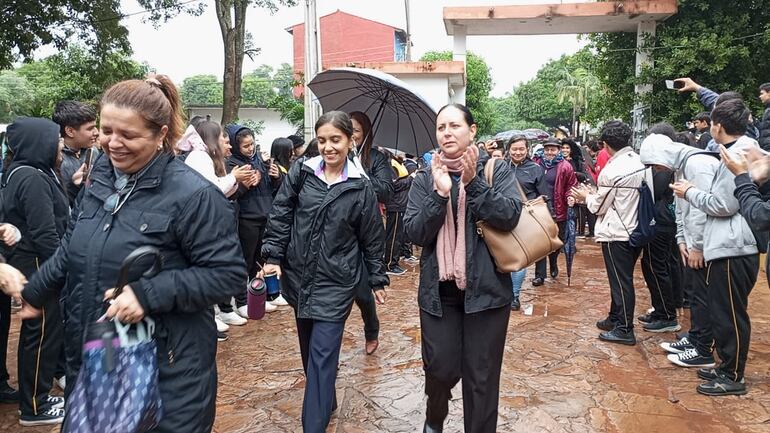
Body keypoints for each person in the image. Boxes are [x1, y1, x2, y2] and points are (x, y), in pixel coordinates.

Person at [12, 75, 247, 432]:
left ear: (160, 134)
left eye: (129, 135)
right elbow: (70, 249)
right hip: (96, 358)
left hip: (167, 370)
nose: (113, 143)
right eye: (106, 131)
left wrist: (147, 294)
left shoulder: (194, 195)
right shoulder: (101, 179)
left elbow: (226, 275)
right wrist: (34, 293)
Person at [260, 111, 388, 433]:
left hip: (337, 282)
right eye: (322, 140)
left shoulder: (361, 188)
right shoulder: (302, 173)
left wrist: (376, 277)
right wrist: (273, 255)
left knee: (321, 358)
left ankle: (313, 425)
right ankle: (326, 400)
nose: (328, 147)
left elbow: (373, 237)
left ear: (349, 141)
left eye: (336, 140)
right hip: (299, 278)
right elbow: (281, 213)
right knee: (309, 355)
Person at [404, 103, 521, 433]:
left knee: (481, 378)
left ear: (472, 131)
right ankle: (434, 416)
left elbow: (510, 215)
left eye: (454, 126)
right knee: (440, 368)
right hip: (439, 296)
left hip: (486, 294)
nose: (446, 133)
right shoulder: (426, 177)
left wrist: (474, 184)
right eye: (441, 128)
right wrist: (440, 196)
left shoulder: (494, 170)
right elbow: (415, 232)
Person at [670, 99, 760, 396]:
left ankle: (733, 375)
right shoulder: (745, 149)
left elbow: (724, 204)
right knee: (723, 313)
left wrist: (690, 191)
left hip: (733, 247)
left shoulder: (737, 156)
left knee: (730, 315)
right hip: (728, 245)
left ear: (717, 126)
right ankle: (725, 366)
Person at [0, 117, 69, 425]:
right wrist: (60, 268)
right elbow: (44, 232)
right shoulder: (31, 177)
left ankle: (37, 394)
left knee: (43, 332)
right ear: (39, 143)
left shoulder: (28, 171)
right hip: (39, 264)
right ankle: (34, 406)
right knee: (40, 334)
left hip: (34, 261)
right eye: (55, 140)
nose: (61, 145)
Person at [639, 132, 719, 369]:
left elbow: (701, 208)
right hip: (691, 241)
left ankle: (703, 348)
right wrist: (682, 238)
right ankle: (696, 338)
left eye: (654, 165)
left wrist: (697, 246)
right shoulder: (685, 165)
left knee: (702, 297)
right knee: (694, 294)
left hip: (705, 244)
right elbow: (683, 206)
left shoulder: (697, 163)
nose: (656, 170)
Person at [571, 120, 650, 346]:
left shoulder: (612, 171)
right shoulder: (640, 161)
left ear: (605, 144)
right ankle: (615, 317)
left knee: (620, 281)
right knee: (621, 278)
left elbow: (598, 207)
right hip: (636, 229)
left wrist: (585, 196)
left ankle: (625, 328)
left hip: (617, 232)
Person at [224, 125, 284, 316]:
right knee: (245, 261)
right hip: (246, 218)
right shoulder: (231, 165)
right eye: (246, 146)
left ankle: (264, 295)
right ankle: (243, 301)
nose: (251, 149)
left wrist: (275, 177)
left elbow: (273, 188)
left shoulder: (260, 159)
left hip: (265, 215)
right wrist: (244, 185)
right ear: (235, 146)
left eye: (252, 144)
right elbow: (229, 194)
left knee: (262, 259)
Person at [348, 111, 393, 355]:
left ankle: (371, 328)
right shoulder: (334, 158)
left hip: (369, 227)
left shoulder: (375, 159)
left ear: (365, 132)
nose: (351, 134)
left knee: (363, 290)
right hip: (341, 229)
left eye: (355, 130)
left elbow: (386, 190)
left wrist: (361, 172)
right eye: (348, 129)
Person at [635, 123, 681, 334]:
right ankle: (660, 309)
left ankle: (667, 315)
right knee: (651, 265)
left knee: (657, 267)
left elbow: (656, 189)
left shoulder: (666, 165)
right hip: (661, 221)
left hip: (662, 223)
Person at [506, 134, 545, 311]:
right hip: (501, 217)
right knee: (501, 257)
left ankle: (514, 296)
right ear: (508, 150)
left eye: (521, 149)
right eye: (514, 149)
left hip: (524, 219)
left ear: (527, 149)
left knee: (519, 260)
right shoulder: (501, 167)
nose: (518, 152)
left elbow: (544, 196)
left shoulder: (535, 169)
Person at [531, 138, 577, 286]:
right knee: (540, 243)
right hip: (539, 210)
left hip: (558, 210)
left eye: (553, 150)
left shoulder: (565, 166)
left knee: (558, 241)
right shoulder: (536, 164)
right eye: (547, 149)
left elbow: (571, 185)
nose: (550, 153)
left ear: (558, 150)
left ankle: (554, 261)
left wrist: (570, 196)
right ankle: (540, 274)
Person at [52, 101, 99, 203]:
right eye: (90, 129)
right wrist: (74, 186)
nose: (96, 132)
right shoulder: (56, 160)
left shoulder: (92, 151)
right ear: (70, 131)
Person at [383, 150, 412, 277]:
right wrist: (410, 179)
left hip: (401, 204)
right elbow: (393, 185)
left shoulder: (397, 163)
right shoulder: (390, 165)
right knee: (393, 237)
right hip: (395, 205)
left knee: (398, 237)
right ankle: (390, 264)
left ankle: (394, 262)